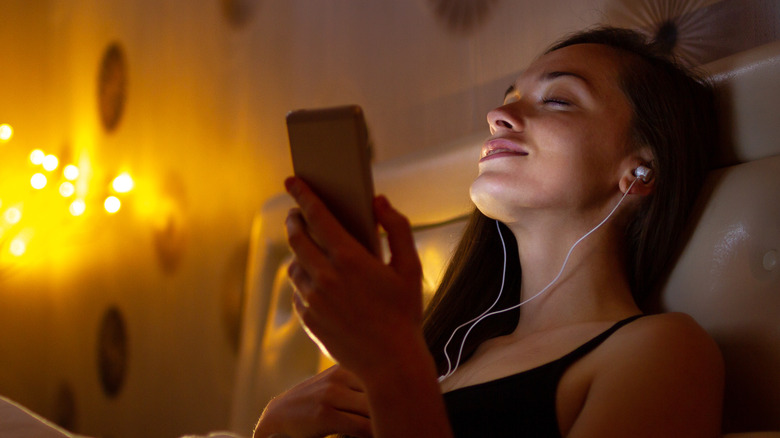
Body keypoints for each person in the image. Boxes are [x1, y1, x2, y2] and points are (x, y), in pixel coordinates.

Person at [254, 27, 724, 437]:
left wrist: (392, 369)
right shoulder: (444, 350)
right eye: (508, 100)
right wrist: (273, 430)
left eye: (557, 100)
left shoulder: (660, 352)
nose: (499, 116)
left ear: (640, 168)